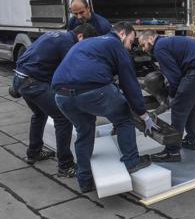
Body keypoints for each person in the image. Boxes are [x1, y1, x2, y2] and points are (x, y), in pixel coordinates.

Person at [52, 22, 154, 193]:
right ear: (122, 34)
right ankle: (132, 161)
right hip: (93, 91)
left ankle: (84, 180)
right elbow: (129, 83)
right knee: (124, 119)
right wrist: (143, 114)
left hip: (61, 95)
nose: (130, 46)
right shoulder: (115, 44)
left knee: (84, 130)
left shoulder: (87, 42)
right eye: (131, 40)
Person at [12, 24, 98, 178]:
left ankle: (34, 152)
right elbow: (71, 72)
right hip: (33, 83)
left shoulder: (56, 35)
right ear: (80, 37)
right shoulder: (68, 44)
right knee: (62, 117)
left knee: (39, 114)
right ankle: (65, 166)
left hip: (21, 78)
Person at [138, 31, 195, 162]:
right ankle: (192, 141)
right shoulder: (168, 42)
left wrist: (172, 96)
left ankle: (172, 151)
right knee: (192, 107)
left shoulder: (159, 47)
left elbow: (174, 77)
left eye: (143, 45)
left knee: (178, 108)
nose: (143, 49)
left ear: (151, 39)